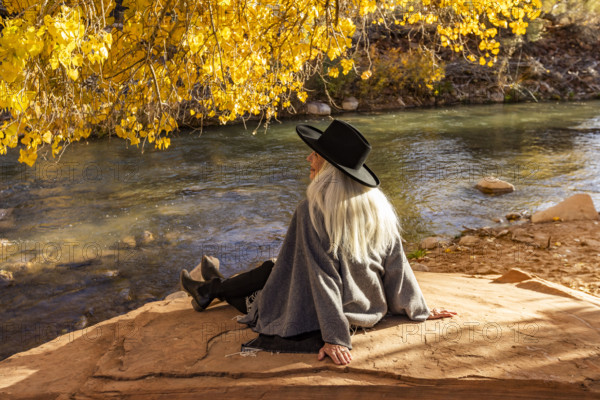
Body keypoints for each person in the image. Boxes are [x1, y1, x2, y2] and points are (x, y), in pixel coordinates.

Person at [180, 119, 457, 366]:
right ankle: (211, 287)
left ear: (329, 167)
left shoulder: (312, 209)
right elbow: (396, 263)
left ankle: (213, 289)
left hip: (322, 311)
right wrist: (416, 308)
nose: (308, 157)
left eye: (315, 154)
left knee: (261, 299)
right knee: (274, 267)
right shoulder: (378, 206)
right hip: (365, 306)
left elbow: (323, 276)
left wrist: (335, 336)